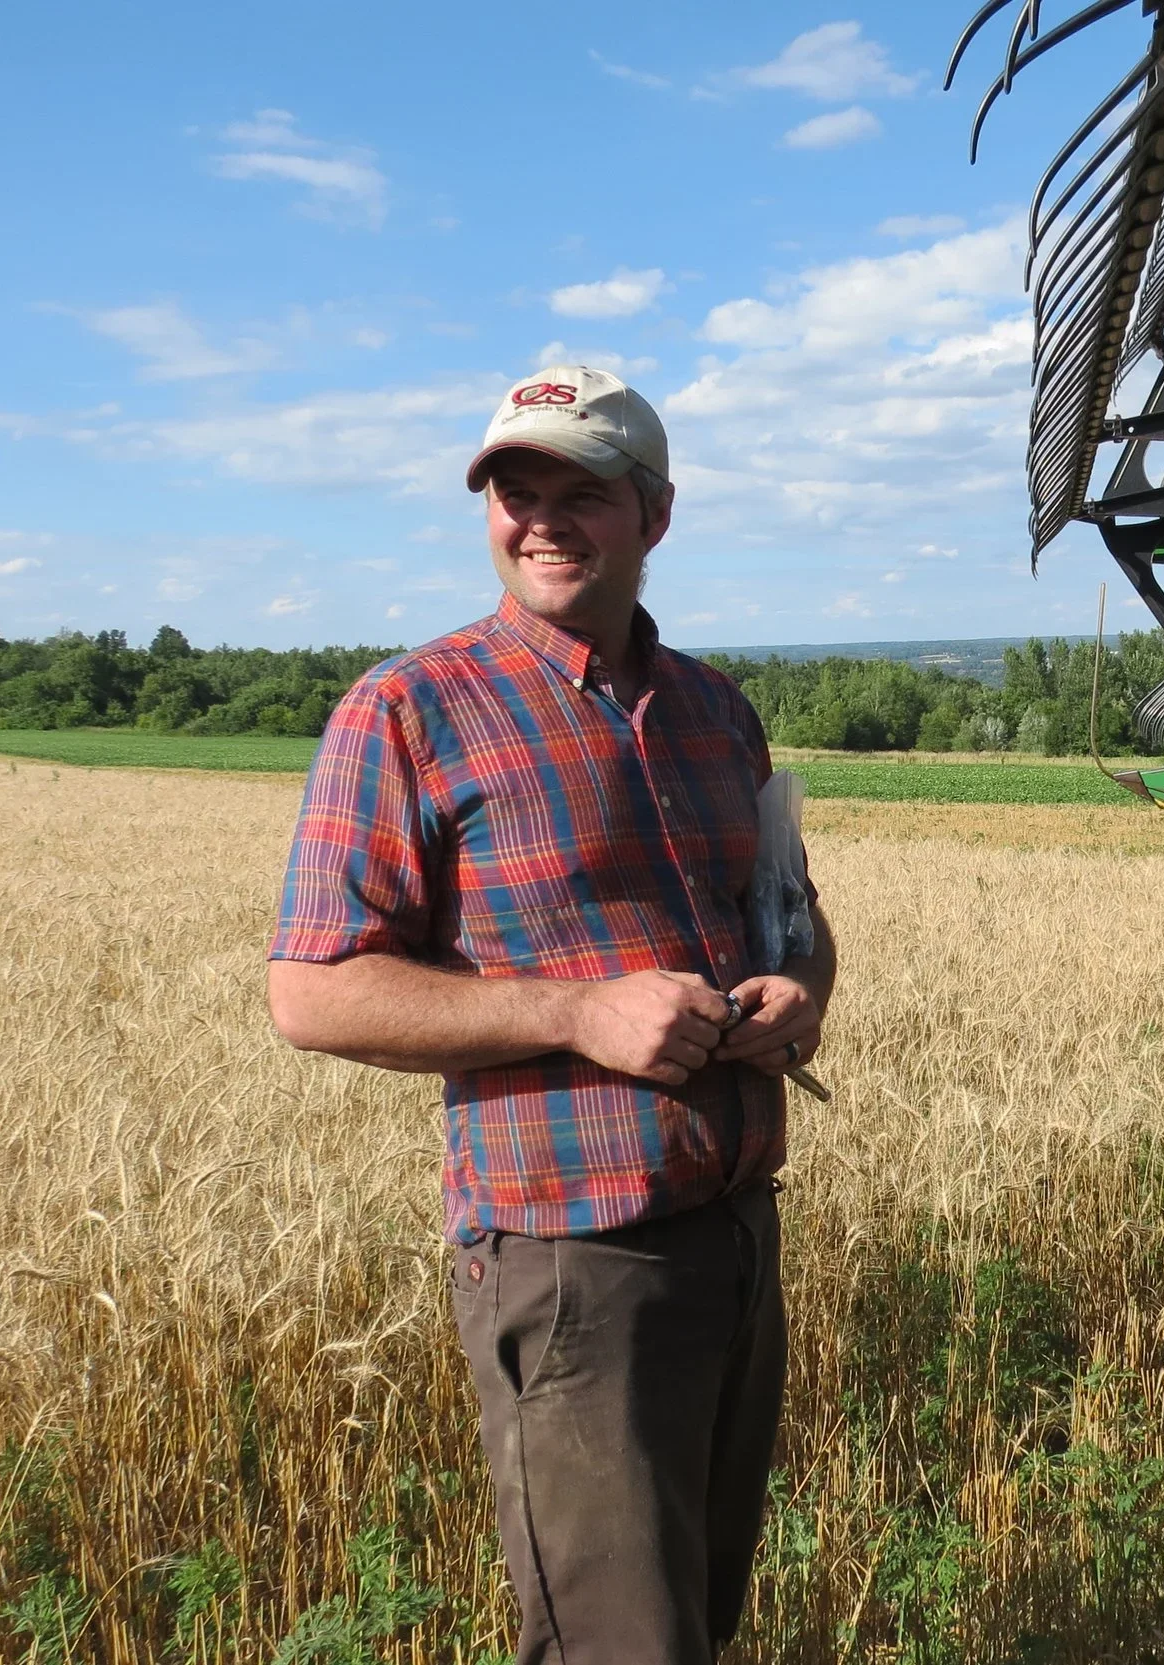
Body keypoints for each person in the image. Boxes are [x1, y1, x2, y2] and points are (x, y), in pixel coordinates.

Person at [265, 364, 834, 1665]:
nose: (542, 519)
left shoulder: (712, 709)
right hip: (575, 1269)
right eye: (515, 493)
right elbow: (310, 990)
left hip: (741, 1248)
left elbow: (792, 914)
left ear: (656, 514)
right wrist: (580, 1016)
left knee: (694, 1626)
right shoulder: (407, 712)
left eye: (580, 491)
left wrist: (802, 992)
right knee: (620, 1647)